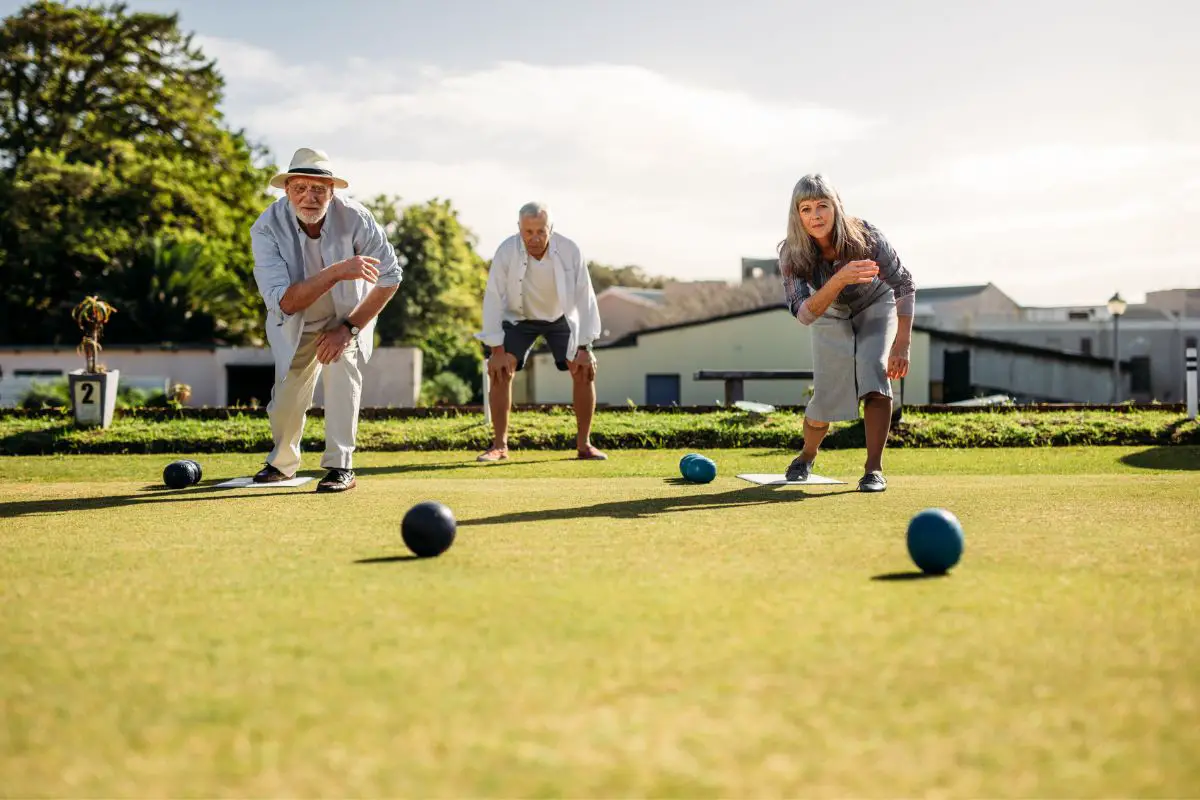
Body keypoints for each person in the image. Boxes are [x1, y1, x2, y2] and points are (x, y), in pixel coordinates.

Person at [249, 147, 403, 492]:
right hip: (296, 320)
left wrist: (348, 329)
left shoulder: (358, 218)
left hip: (348, 316)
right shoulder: (265, 228)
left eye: (319, 188)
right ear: (286, 190)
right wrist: (336, 272)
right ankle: (282, 462)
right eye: (300, 188)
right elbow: (284, 303)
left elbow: (390, 277)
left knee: (341, 375)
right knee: (287, 397)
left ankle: (339, 466)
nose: (309, 197)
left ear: (332, 191)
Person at [778, 174, 916, 492]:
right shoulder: (791, 253)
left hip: (874, 303)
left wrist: (902, 344)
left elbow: (904, 284)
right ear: (797, 215)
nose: (816, 216)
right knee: (826, 395)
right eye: (807, 209)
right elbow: (804, 314)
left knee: (874, 370)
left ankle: (873, 470)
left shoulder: (866, 236)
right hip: (827, 309)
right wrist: (839, 279)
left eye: (823, 206)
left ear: (836, 207)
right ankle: (807, 455)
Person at [476, 202, 605, 462]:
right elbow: (493, 297)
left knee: (583, 370)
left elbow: (585, 297)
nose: (534, 238)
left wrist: (585, 347)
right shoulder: (505, 251)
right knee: (500, 370)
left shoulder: (570, 250)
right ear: (519, 229)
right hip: (519, 318)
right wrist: (496, 349)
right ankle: (499, 446)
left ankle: (584, 445)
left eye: (540, 232)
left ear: (551, 229)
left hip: (561, 316)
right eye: (528, 232)